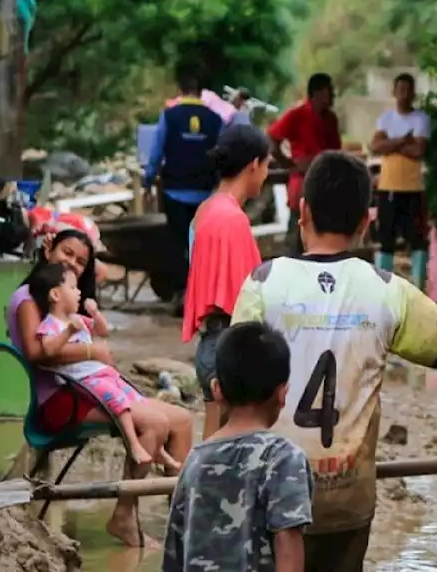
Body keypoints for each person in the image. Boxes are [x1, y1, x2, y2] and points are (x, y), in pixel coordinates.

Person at [232, 151, 437, 572]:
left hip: (267, 497)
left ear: (302, 211)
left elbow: (231, 388)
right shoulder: (385, 291)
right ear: (366, 222)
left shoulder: (263, 284)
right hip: (344, 503)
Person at [8, 230, 193, 548]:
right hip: (61, 397)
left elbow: (96, 338)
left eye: (81, 261)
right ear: (49, 248)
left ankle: (183, 523)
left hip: (85, 388)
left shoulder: (70, 305)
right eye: (67, 253)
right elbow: (37, 354)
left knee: (183, 420)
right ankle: (124, 515)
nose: (74, 264)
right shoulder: (28, 296)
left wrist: (95, 350)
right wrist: (93, 352)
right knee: (155, 422)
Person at [163, 321, 313, 571]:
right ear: (282, 394)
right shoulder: (284, 458)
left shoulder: (196, 460)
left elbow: (174, 554)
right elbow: (288, 546)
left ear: (217, 390)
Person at [29, 264, 180, 470]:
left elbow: (102, 331)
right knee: (118, 401)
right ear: (55, 294)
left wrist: (96, 313)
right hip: (85, 380)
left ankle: (159, 452)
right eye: (73, 288)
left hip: (102, 373)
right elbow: (48, 350)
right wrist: (67, 333)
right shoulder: (50, 325)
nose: (79, 292)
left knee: (135, 397)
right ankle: (134, 445)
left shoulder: (78, 319)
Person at [183, 125, 270, 440]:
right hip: (228, 346)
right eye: (267, 165)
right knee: (226, 447)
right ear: (253, 165)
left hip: (210, 342)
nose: (266, 174)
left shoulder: (205, 210)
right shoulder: (232, 219)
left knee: (211, 444)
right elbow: (247, 296)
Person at [144, 67, 225, 302]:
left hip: (174, 191)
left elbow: (156, 151)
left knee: (178, 243)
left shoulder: (169, 116)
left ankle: (182, 293)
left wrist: (149, 180)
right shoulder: (216, 120)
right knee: (202, 245)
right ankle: (203, 294)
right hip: (205, 193)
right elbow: (223, 155)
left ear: (181, 91)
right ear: (201, 92)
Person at [269, 73, 343, 257]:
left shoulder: (331, 119)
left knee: (324, 239)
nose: (333, 95)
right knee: (295, 236)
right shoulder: (297, 115)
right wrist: (289, 163)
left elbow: (335, 151)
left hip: (327, 186)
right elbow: (272, 138)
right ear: (317, 93)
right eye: (329, 91)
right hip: (302, 184)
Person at [370, 73, 430, 287]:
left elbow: (418, 150)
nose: (404, 94)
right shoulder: (385, 119)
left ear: (413, 93)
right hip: (389, 187)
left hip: (413, 187)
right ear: (394, 92)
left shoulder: (421, 119)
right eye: (400, 89)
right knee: (386, 238)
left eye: (408, 90)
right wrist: (404, 140)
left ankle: (418, 286)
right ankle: (382, 286)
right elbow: (375, 146)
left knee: (417, 239)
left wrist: (391, 144)